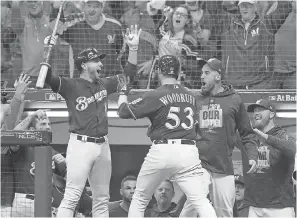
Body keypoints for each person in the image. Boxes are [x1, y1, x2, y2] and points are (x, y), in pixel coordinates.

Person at [43, 24, 140, 217]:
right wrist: (48, 49)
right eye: (96, 61)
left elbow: (128, 75)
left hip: (103, 145)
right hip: (80, 145)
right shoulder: (71, 85)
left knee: (102, 199)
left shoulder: (104, 83)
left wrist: (134, 48)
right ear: (84, 65)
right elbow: (47, 76)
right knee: (71, 197)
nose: (101, 65)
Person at [117, 54, 217, 218]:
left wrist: (122, 92)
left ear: (158, 72)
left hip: (162, 150)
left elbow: (122, 112)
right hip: (187, 151)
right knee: (200, 200)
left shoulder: (155, 94)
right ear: (178, 73)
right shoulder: (191, 95)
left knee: (140, 199)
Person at [179, 58, 258, 217]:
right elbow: (185, 131)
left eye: (207, 73)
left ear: (218, 76)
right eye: (201, 73)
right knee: (192, 206)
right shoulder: (196, 99)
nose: (202, 76)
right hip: (199, 164)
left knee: (225, 212)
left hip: (223, 165)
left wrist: (253, 154)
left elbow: (246, 132)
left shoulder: (234, 99)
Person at [243, 99, 296, 217]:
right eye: (254, 110)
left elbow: (292, 148)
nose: (256, 113)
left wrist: (266, 137)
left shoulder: (282, 135)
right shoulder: (250, 138)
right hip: (254, 207)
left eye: (260, 109)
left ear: (272, 114)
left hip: (280, 207)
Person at [1, 74, 30, 218]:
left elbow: (12, 124)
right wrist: (18, 96)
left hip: (5, 200)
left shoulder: (7, 140)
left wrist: (20, 96)